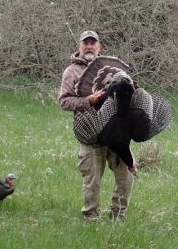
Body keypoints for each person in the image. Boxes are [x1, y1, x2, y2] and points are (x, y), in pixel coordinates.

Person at [58, 30, 135, 221]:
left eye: (93, 43)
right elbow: (64, 101)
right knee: (92, 180)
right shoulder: (71, 72)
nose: (89, 46)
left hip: (115, 132)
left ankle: (118, 215)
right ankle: (90, 217)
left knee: (126, 175)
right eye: (86, 43)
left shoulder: (111, 67)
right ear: (79, 46)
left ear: (99, 46)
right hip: (90, 133)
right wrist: (87, 101)